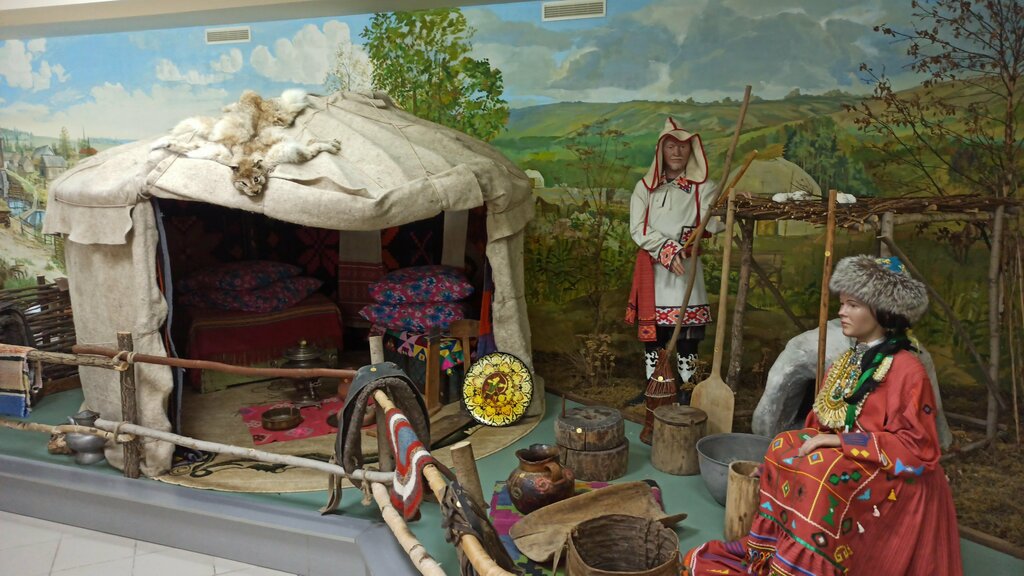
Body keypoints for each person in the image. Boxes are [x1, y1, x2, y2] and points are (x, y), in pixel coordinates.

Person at [684, 255, 962, 576]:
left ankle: (807, 567)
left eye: (852, 305)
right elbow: (823, 418)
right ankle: (774, 552)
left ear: (883, 310)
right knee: (781, 446)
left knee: (821, 471)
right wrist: (810, 444)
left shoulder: (908, 369)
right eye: (842, 304)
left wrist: (840, 443)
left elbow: (918, 447)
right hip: (851, 454)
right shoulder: (848, 360)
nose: (841, 312)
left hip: (891, 468)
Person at [626, 117, 720, 397]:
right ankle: (654, 388)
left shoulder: (704, 188)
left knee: (688, 336)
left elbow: (715, 223)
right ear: (661, 151)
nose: (677, 152)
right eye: (670, 146)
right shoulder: (644, 187)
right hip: (654, 271)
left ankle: (687, 391)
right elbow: (638, 229)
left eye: (682, 146)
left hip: (687, 271)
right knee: (655, 336)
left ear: (691, 150)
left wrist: (733, 205)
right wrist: (668, 250)